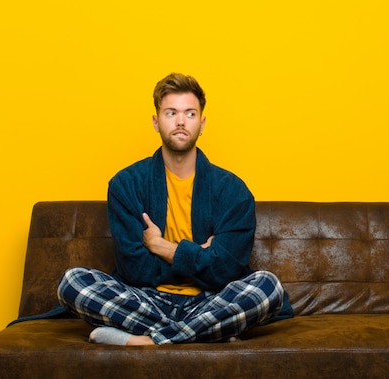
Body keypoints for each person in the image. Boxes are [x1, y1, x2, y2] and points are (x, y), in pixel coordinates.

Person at [57, 73, 293, 345]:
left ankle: (142, 340)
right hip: (145, 298)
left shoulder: (233, 191)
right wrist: (201, 256)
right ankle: (207, 334)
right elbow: (134, 269)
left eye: (190, 114)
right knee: (73, 282)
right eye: (171, 113)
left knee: (268, 287)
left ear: (202, 124)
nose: (181, 121)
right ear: (156, 122)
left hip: (211, 299)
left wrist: (160, 246)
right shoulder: (126, 184)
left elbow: (226, 270)